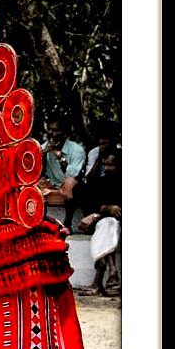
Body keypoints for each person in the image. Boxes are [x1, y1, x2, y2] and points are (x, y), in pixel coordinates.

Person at [76, 147, 122, 296]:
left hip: (119, 224)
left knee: (110, 224)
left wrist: (108, 212)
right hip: (102, 223)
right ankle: (112, 272)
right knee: (108, 224)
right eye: (105, 165)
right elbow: (90, 201)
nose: (107, 169)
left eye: (111, 165)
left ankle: (98, 281)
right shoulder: (99, 183)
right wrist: (103, 209)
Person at [38, 119, 86, 229]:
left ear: (65, 133)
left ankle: (67, 222)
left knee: (70, 183)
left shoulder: (77, 150)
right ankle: (41, 221)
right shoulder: (43, 148)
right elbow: (36, 171)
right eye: (49, 130)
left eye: (56, 130)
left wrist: (60, 158)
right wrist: (43, 155)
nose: (52, 134)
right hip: (52, 185)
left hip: (70, 186)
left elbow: (72, 174)